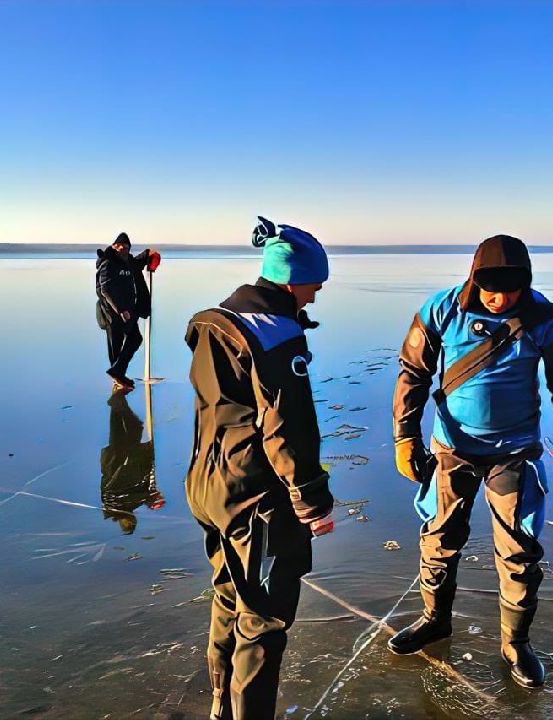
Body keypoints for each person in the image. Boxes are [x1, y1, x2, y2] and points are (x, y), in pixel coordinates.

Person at [389, 234, 553, 689]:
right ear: (474, 280)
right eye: (492, 290)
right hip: (452, 450)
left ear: (527, 283)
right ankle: (435, 620)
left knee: (519, 551)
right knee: (439, 538)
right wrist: (405, 438)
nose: (502, 300)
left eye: (512, 291)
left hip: (514, 454)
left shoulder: (547, 319)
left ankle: (515, 643)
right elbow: (413, 374)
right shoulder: (442, 310)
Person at [184, 217, 335, 720]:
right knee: (264, 620)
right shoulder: (275, 336)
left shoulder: (218, 321)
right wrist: (311, 499)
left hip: (208, 484)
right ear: (294, 280)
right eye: (315, 284)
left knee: (228, 595)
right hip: (255, 498)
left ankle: (220, 706)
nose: (314, 296)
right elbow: (287, 427)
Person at [95, 232, 160, 391]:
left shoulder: (129, 261)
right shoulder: (108, 263)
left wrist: (151, 255)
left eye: (126, 245)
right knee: (115, 346)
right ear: (113, 247)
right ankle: (117, 378)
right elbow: (105, 290)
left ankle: (117, 372)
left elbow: (140, 260)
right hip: (112, 313)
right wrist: (121, 310)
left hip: (129, 312)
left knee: (135, 339)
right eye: (119, 245)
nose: (123, 247)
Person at [100, 390, 163, 535]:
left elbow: (122, 492)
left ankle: (117, 399)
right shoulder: (119, 506)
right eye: (134, 523)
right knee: (117, 427)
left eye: (130, 523)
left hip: (120, 459)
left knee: (134, 426)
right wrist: (149, 497)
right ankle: (116, 399)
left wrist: (148, 497)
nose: (133, 520)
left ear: (125, 522)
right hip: (118, 458)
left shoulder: (114, 506)